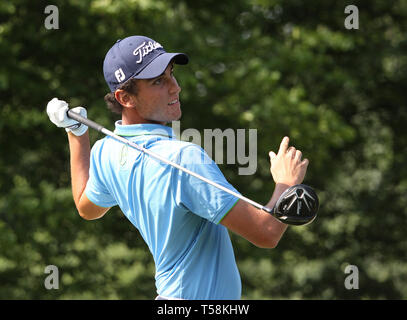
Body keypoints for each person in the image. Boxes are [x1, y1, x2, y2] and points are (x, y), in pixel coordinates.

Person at [46, 35, 309, 300]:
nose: (176, 88)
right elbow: (266, 233)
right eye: (158, 81)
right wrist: (287, 184)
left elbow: (85, 207)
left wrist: (76, 132)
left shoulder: (105, 152)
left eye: (171, 74)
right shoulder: (184, 158)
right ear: (125, 97)